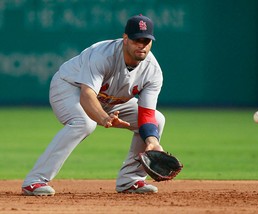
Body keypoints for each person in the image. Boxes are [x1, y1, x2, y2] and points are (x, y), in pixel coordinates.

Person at [22, 14, 165, 196]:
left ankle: (131, 181)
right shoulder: (103, 55)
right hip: (69, 87)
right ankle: (34, 181)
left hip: (111, 100)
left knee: (158, 120)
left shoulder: (153, 71)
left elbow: (146, 114)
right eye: (137, 39)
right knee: (84, 123)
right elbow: (87, 95)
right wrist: (104, 118)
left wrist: (152, 141)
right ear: (125, 38)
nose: (142, 45)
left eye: (147, 40)